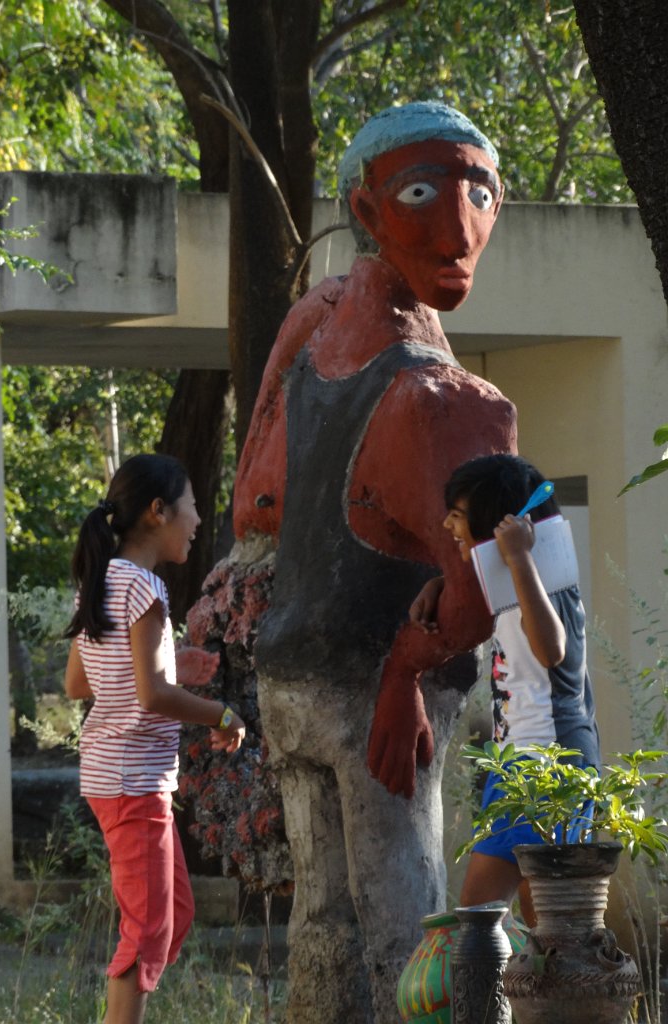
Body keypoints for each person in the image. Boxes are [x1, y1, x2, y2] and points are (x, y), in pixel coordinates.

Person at [226, 102, 518, 1023]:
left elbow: (254, 501)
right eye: (424, 194)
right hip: (376, 701)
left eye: (481, 194)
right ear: (366, 206)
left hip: (293, 680)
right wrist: (403, 673)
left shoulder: (313, 335)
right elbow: (476, 597)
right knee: (408, 940)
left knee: (324, 930)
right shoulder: (448, 401)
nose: (459, 229)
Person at [64, 453, 245, 1024]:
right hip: (132, 783)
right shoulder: (145, 588)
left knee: (175, 914)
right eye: (192, 506)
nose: (198, 520)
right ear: (158, 511)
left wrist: (169, 666)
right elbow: (150, 697)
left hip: (117, 779)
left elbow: (78, 682)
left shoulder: (100, 581)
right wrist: (222, 715)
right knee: (147, 932)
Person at [410, 453, 601, 925]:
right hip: (517, 760)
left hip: (549, 763)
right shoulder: (515, 576)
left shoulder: (543, 575)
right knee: (525, 926)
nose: (448, 524)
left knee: (493, 923)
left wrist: (518, 557)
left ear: (496, 522)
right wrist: (440, 585)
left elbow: (551, 650)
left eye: (458, 514)